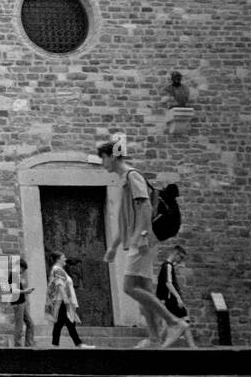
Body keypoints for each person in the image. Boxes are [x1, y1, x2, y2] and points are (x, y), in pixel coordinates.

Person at [99, 140, 191, 348]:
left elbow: (145, 207)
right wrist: (114, 246)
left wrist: (142, 236)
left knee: (129, 287)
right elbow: (126, 220)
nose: (102, 163)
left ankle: (173, 322)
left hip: (142, 241)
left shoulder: (132, 176)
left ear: (112, 157)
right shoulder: (125, 180)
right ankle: (155, 338)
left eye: (103, 158)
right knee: (145, 291)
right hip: (140, 239)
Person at [46, 252, 90, 348]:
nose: (65, 259)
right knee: (69, 322)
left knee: (60, 324)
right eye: (63, 257)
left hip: (61, 300)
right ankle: (79, 344)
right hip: (62, 300)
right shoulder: (57, 270)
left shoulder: (59, 270)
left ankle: (54, 345)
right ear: (58, 259)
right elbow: (60, 285)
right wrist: (66, 300)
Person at [156, 245, 197, 348]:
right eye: (181, 257)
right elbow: (168, 283)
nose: (181, 260)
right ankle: (162, 346)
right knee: (183, 324)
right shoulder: (167, 266)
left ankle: (193, 347)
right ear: (176, 254)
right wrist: (178, 297)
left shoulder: (167, 266)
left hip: (168, 300)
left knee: (182, 324)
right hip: (171, 300)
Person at [9, 258, 35, 347]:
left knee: (30, 324)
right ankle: (18, 347)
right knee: (19, 328)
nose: (22, 272)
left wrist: (25, 291)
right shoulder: (13, 275)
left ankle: (29, 345)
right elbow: (14, 290)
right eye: (22, 269)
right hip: (17, 303)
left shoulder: (16, 275)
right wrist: (25, 291)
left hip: (21, 302)